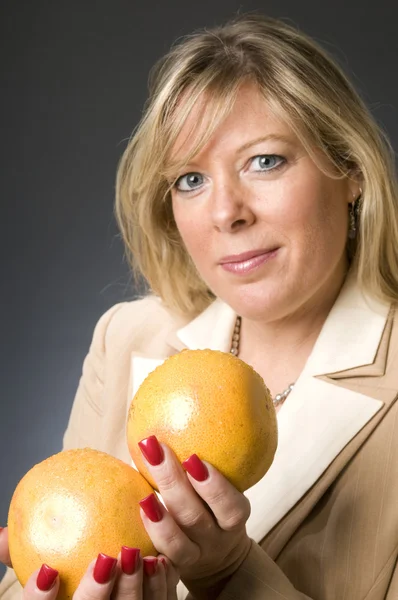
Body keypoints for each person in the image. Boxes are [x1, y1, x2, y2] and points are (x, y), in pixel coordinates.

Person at [1, 12, 398, 600]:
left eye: (265, 161)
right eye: (190, 179)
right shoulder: (127, 337)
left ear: (351, 172)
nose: (225, 212)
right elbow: (35, 574)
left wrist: (231, 573)